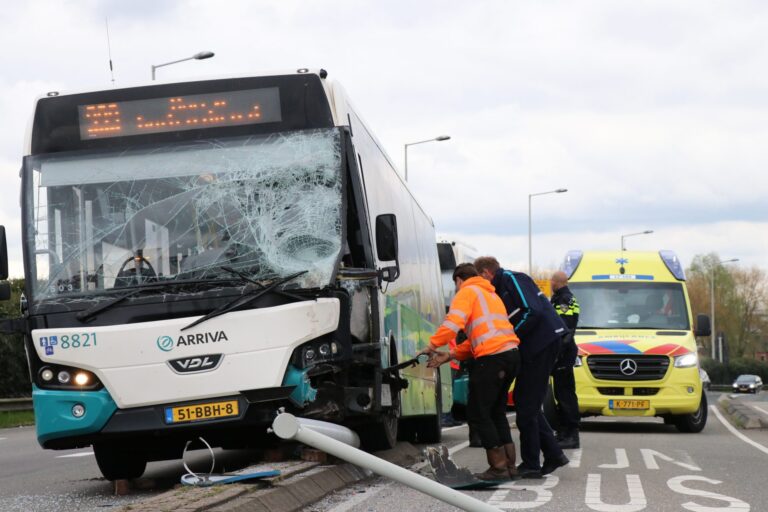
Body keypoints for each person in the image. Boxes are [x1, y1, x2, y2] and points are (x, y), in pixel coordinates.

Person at [420, 263, 521, 481]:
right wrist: (451, 355)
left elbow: (452, 323)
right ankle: (510, 466)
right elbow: (479, 337)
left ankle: (498, 467)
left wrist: (432, 345)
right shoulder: (491, 295)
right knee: (496, 412)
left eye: (455, 284)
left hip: (492, 359)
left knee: (478, 413)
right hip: (511, 355)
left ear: (458, 279)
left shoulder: (467, 291)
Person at [474, 256, 569, 478]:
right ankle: (554, 455)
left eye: (480, 279)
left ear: (486, 273)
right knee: (526, 402)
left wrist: (509, 336)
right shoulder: (498, 289)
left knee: (526, 406)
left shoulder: (512, 279)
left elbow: (531, 310)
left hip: (543, 343)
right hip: (533, 348)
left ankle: (532, 465)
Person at [550, 270, 581, 449]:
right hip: (563, 352)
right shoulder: (563, 298)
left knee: (565, 394)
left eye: (551, 281)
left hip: (564, 353)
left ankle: (571, 434)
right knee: (561, 393)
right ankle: (563, 433)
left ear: (556, 282)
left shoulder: (564, 300)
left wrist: (558, 353)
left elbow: (565, 330)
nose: (550, 284)